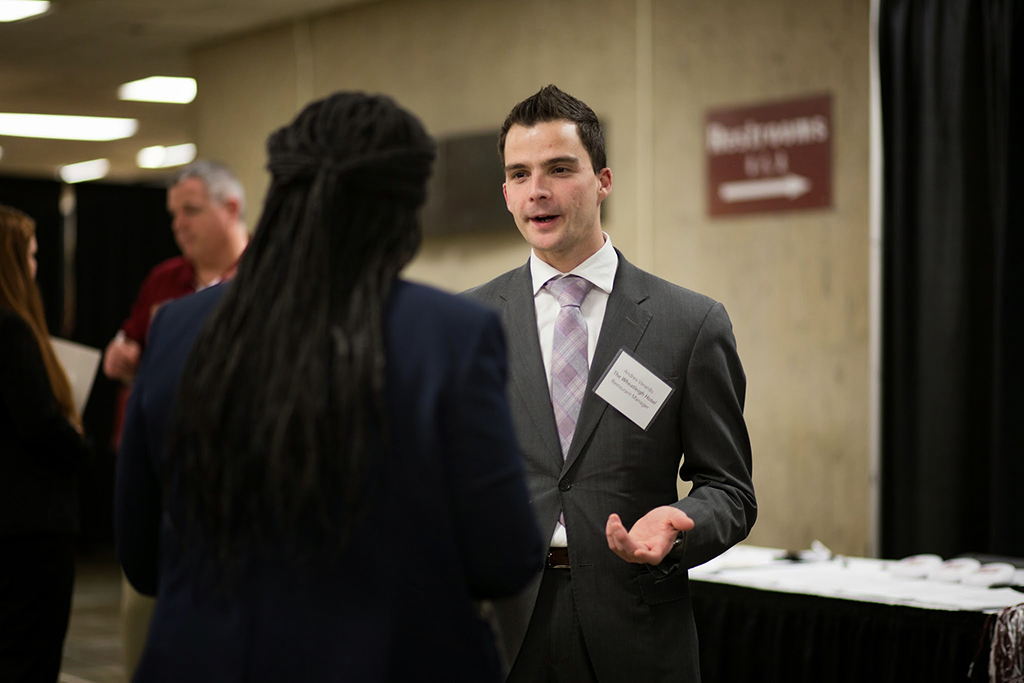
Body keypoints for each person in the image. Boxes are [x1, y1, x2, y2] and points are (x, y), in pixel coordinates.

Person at [115, 91, 544, 682]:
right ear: (404, 208)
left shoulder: (177, 330)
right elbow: (504, 559)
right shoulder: (450, 336)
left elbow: (141, 558)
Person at [464, 84, 757, 683]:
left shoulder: (689, 323)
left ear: (602, 181)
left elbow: (729, 490)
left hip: (636, 627)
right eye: (519, 174)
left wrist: (680, 526)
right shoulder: (467, 326)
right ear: (506, 193)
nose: (537, 190)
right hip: (500, 632)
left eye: (559, 169)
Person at [100, 159, 248, 674]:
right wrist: (121, 355)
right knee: (145, 627)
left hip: (238, 488)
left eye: (191, 211)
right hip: (164, 477)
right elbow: (131, 341)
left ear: (231, 209)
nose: (178, 225)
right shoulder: (164, 279)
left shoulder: (268, 278)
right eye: (173, 215)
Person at [0, 204, 88, 681]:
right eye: (30, 256)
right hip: (29, 526)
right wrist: (78, 443)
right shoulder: (12, 329)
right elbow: (38, 425)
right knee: (30, 657)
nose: (35, 267)